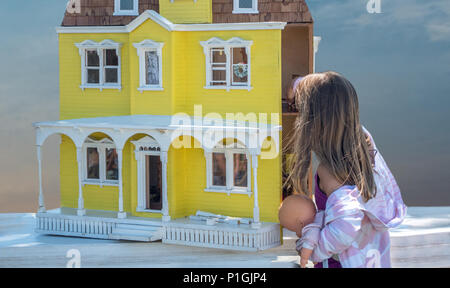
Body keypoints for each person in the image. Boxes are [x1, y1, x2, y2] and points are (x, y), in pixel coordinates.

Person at [286, 71, 407, 268]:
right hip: (371, 257)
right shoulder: (363, 144)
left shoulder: (330, 173)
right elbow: (330, 94)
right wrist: (296, 84)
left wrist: (316, 252)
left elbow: (346, 225)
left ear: (313, 122)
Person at [278, 194, 317, 267]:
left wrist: (304, 258)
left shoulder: (311, 229)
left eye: (295, 230)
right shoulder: (320, 217)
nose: (296, 234)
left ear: (301, 223)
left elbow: (310, 242)